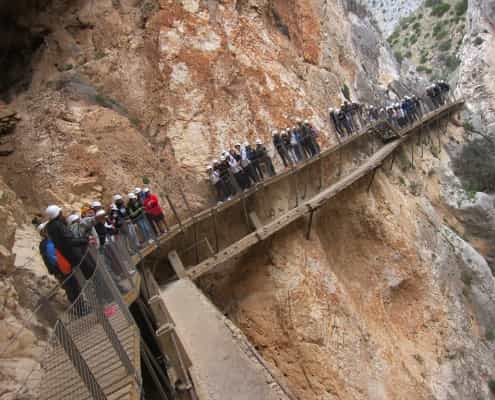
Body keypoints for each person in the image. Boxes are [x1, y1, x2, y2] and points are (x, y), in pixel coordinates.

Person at [45, 205, 96, 283]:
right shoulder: (58, 225)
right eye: (60, 212)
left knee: (86, 279)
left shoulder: (50, 227)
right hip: (76, 256)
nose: (62, 214)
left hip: (69, 258)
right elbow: (70, 241)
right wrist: (86, 240)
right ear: (57, 214)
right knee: (92, 274)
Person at [38, 222, 79, 303]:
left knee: (72, 287)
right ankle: (79, 309)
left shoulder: (46, 242)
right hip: (61, 269)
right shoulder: (47, 243)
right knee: (72, 288)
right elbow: (53, 257)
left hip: (59, 269)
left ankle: (80, 307)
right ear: (44, 231)